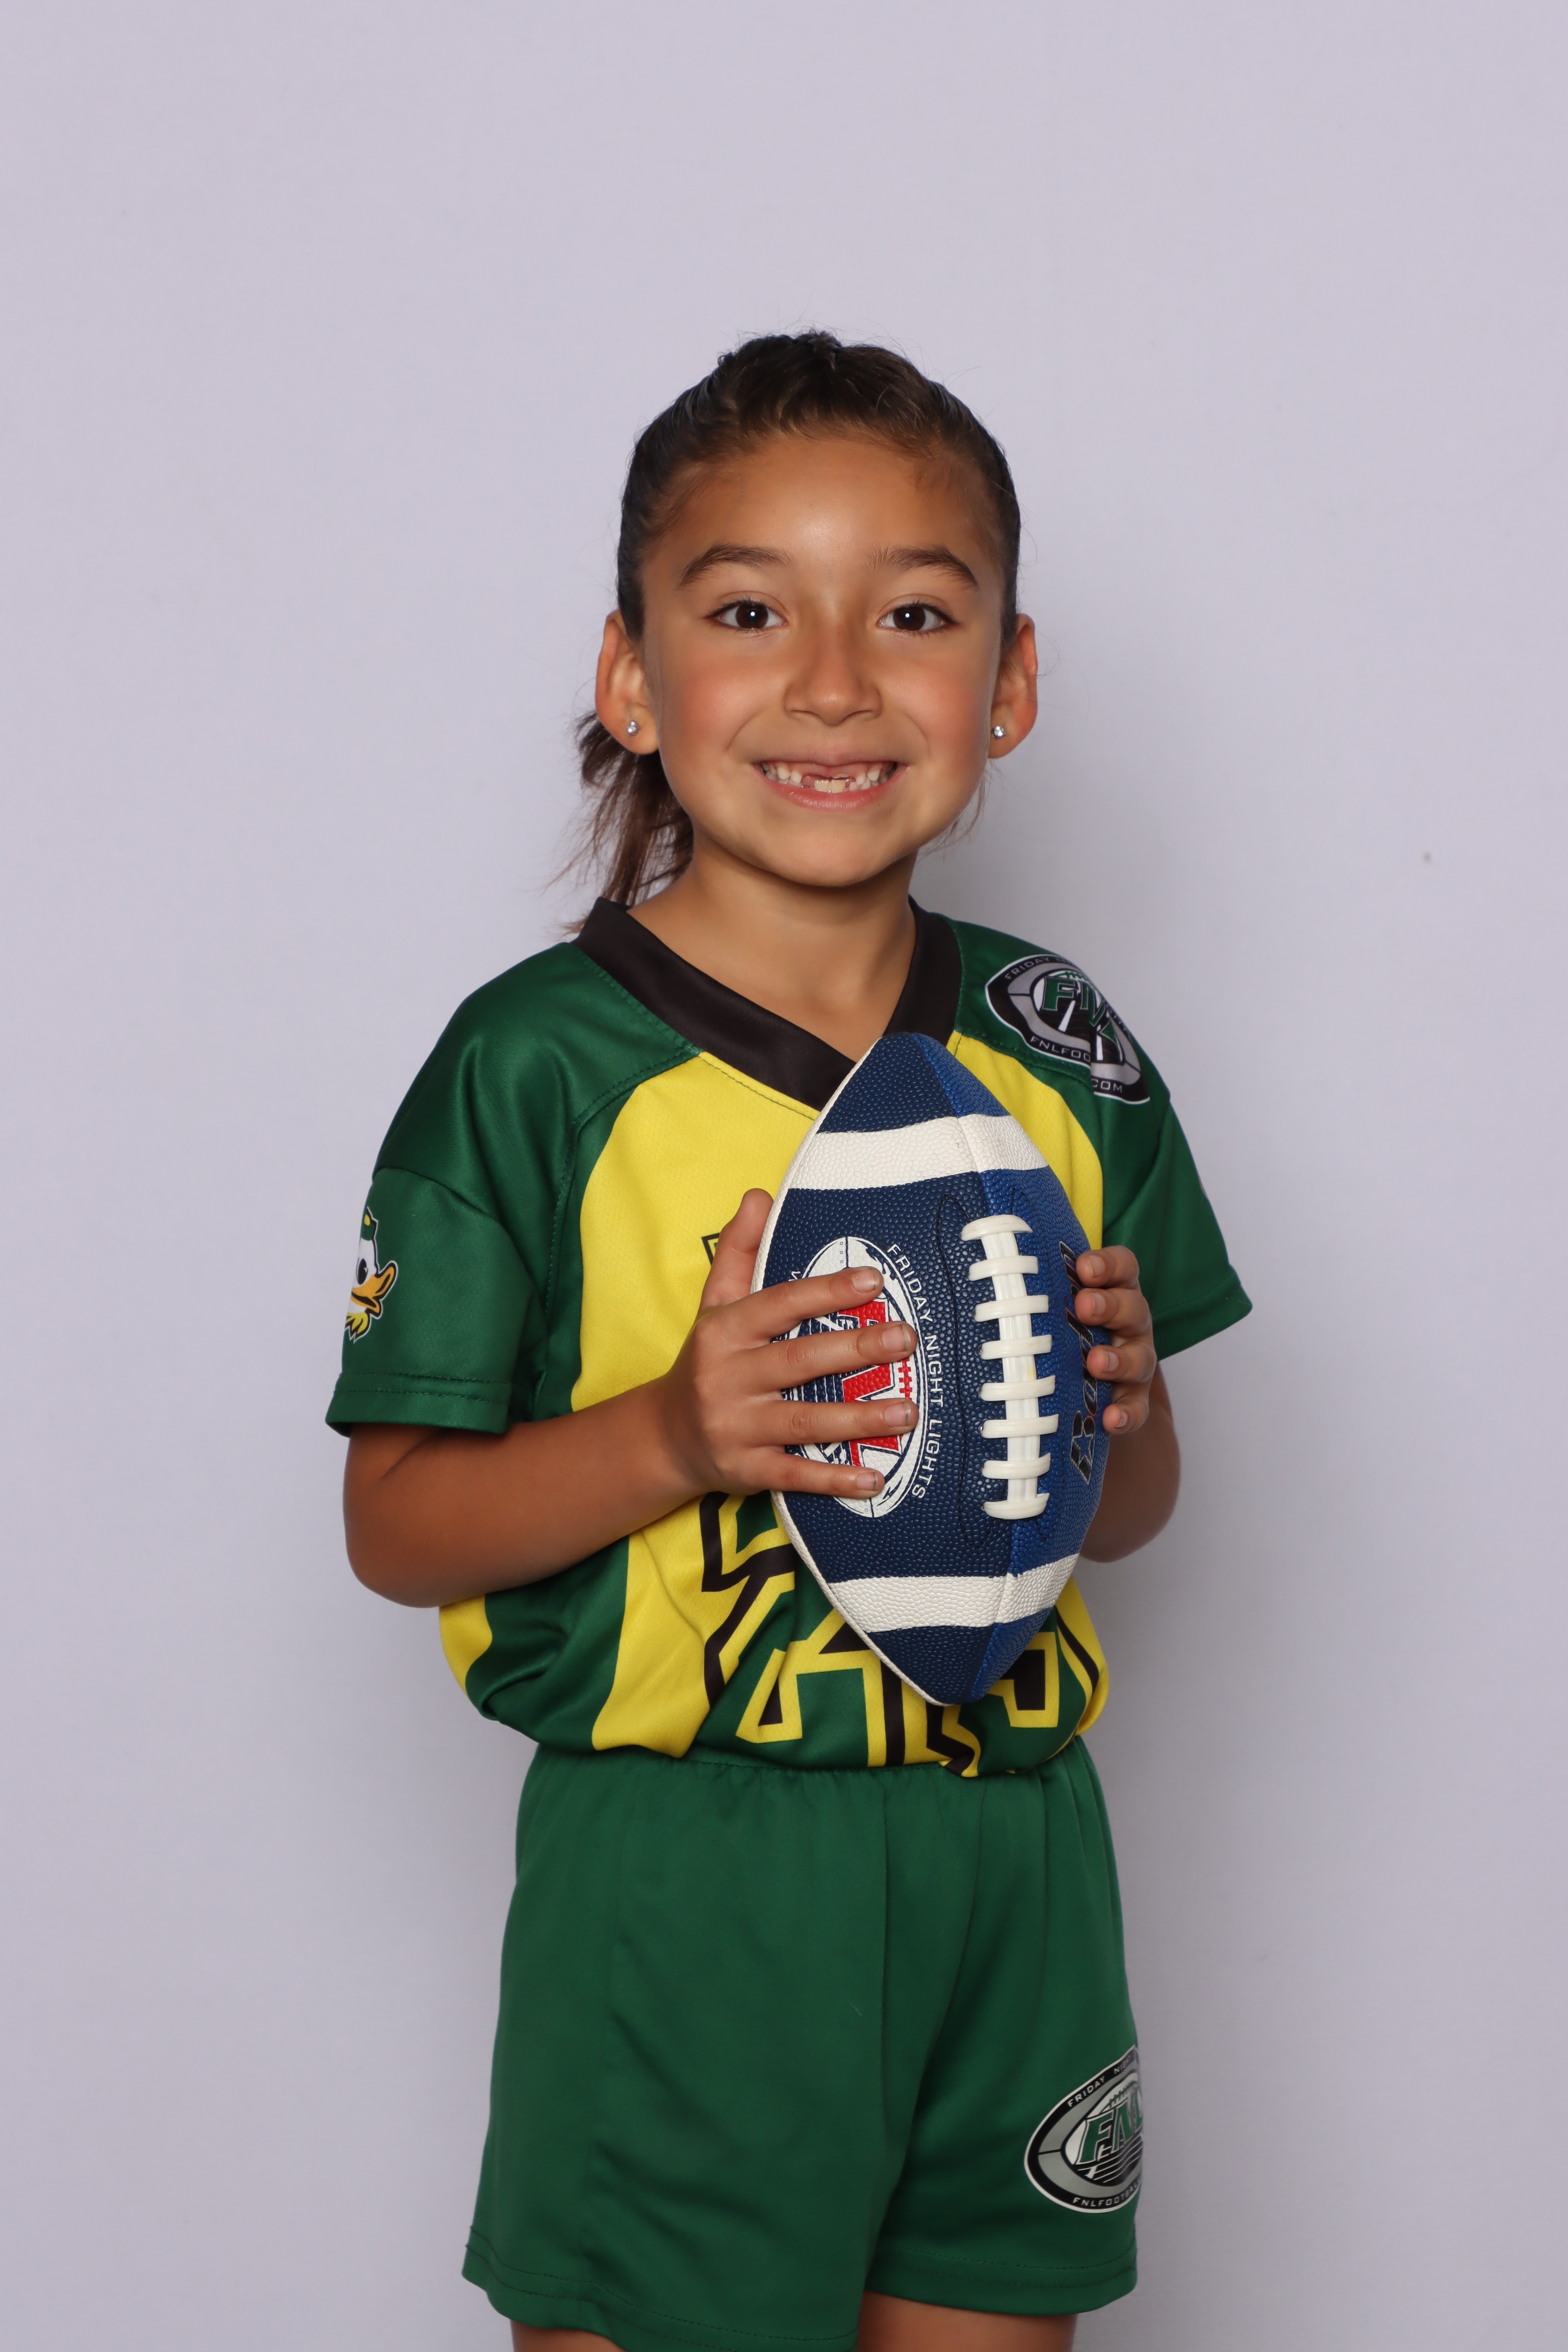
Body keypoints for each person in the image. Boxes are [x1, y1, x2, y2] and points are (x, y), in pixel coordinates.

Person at [331, 332, 1250, 2352]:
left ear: (1006, 682)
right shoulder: (537, 1064)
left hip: (1015, 1843)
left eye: (912, 613)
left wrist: (1120, 1410)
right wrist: (676, 1433)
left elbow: (1136, 1510)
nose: (833, 681)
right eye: (748, 611)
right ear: (630, 678)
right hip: (695, 1868)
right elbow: (393, 1527)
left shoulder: (1055, 1046)